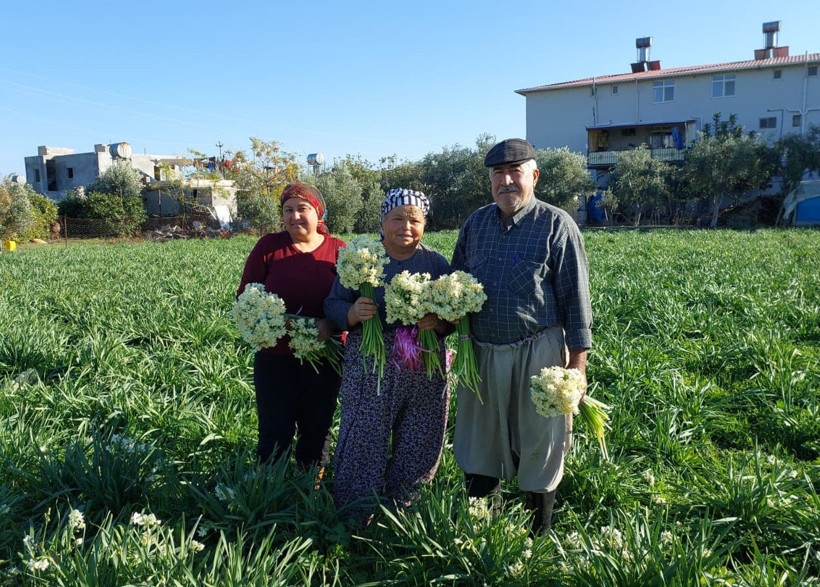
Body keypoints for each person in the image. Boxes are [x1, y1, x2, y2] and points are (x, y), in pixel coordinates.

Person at [450, 138, 593, 535]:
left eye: (516, 172)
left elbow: (576, 299)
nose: (506, 181)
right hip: (481, 351)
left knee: (540, 441)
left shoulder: (556, 224)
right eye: (498, 173)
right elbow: (454, 288)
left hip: (539, 351)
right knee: (481, 440)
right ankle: (481, 529)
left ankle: (538, 533)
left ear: (534, 176)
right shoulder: (475, 225)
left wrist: (577, 365)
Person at [325, 188, 452, 523]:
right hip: (372, 361)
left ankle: (404, 508)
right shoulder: (363, 259)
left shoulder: (435, 262)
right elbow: (333, 303)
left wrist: (437, 322)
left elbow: (454, 315)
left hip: (425, 363)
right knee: (365, 432)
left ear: (424, 224)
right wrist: (352, 313)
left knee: (421, 432)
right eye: (397, 218)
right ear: (383, 221)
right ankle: (356, 510)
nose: (406, 226)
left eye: (415, 220)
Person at [236, 181, 346, 473]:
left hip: (326, 356)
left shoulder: (339, 250)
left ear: (318, 213)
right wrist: (273, 319)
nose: (295, 216)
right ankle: (270, 489)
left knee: (318, 427)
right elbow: (246, 294)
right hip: (274, 356)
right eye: (288, 210)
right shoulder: (269, 246)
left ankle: (311, 487)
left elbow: (352, 302)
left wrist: (331, 324)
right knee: (274, 429)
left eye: (303, 209)